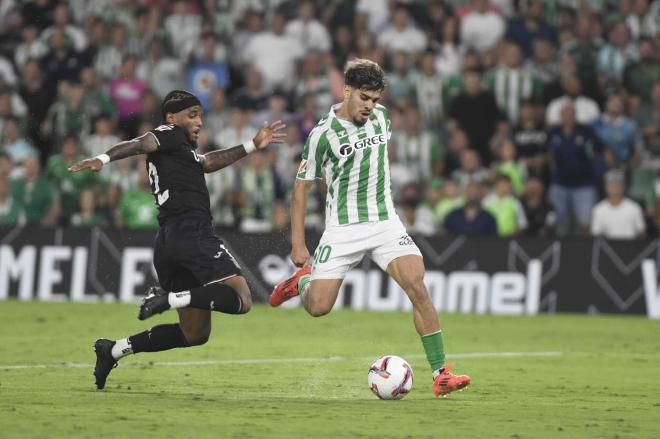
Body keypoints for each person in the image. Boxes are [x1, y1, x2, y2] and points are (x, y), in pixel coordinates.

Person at [268, 59, 470, 398]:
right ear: (346, 91)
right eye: (364, 98)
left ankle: (440, 374)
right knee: (318, 307)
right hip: (343, 228)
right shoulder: (321, 135)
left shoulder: (382, 118)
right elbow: (301, 188)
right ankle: (302, 281)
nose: (370, 106)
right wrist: (298, 244)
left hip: (384, 222)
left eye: (375, 99)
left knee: (418, 286)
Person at [68, 90, 286, 390]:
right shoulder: (167, 134)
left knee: (194, 333)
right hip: (191, 231)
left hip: (169, 240)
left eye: (201, 115)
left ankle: (113, 350)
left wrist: (252, 145)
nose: (199, 121)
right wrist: (103, 158)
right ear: (172, 118)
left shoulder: (180, 149)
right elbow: (141, 143)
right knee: (241, 299)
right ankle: (167, 298)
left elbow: (207, 163)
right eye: (192, 114)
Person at [591, 170, 646, 239]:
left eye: (618, 184)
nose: (615, 187)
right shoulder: (598, 209)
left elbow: (641, 232)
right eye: (611, 184)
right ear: (606, 187)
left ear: (623, 187)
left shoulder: (634, 207)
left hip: (631, 247)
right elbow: (596, 234)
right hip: (607, 247)